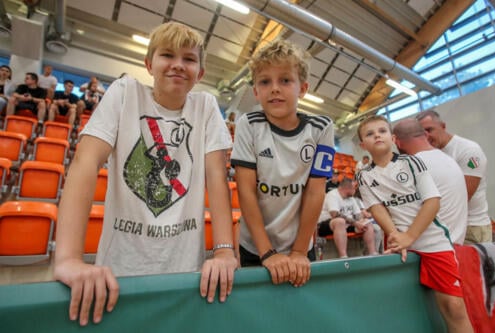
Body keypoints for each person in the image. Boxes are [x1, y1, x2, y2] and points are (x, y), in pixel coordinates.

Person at [54, 21, 238, 327]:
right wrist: (69, 259)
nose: (179, 65)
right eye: (168, 55)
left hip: (184, 273)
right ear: (149, 64)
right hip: (120, 270)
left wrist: (223, 252)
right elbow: (85, 164)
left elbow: (217, 180)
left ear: (201, 74)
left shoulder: (206, 107)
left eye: (189, 59)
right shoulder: (125, 92)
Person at [230, 39, 335, 287]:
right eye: (265, 81)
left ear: (303, 88)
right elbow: (246, 191)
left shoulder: (322, 128)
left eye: (285, 80)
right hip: (255, 246)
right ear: (255, 91)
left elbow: (315, 192)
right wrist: (267, 252)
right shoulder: (249, 123)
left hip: (299, 245)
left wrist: (299, 252)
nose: (274, 88)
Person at [356, 115, 473, 333]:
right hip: (400, 245)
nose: (377, 136)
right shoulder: (363, 176)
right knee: (404, 308)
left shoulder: (412, 162)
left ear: (392, 138)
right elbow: (377, 208)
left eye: (382, 131)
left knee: (454, 307)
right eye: (370, 134)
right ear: (363, 145)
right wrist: (396, 236)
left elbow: (432, 202)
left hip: (432, 242)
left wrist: (409, 236)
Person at [416, 110, 491, 244]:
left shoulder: (469, 151)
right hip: (445, 228)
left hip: (471, 227)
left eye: (429, 130)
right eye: (422, 133)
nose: (426, 136)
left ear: (443, 126)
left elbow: (463, 196)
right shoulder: (427, 155)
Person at [393, 118, 468, 245]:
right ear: (426, 135)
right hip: (456, 244)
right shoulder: (449, 160)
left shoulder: (410, 165)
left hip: (431, 249)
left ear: (397, 142)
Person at [317, 178, 378, 258]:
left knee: (367, 223)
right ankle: (343, 256)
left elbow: (358, 215)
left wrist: (363, 219)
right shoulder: (332, 195)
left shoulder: (351, 198)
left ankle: (372, 253)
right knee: (340, 221)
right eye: (354, 188)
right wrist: (356, 223)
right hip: (326, 224)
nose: (355, 190)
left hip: (347, 224)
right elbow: (334, 214)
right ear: (347, 188)